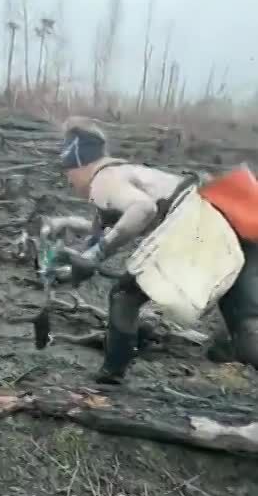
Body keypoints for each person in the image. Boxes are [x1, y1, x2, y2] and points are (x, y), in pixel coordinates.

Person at [57, 116, 258, 383]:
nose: (70, 181)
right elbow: (110, 230)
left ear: (78, 165)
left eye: (68, 174)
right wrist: (75, 262)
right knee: (244, 322)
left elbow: (142, 209)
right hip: (229, 216)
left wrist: (96, 255)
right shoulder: (124, 172)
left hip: (197, 219)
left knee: (124, 294)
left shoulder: (102, 179)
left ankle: (111, 375)